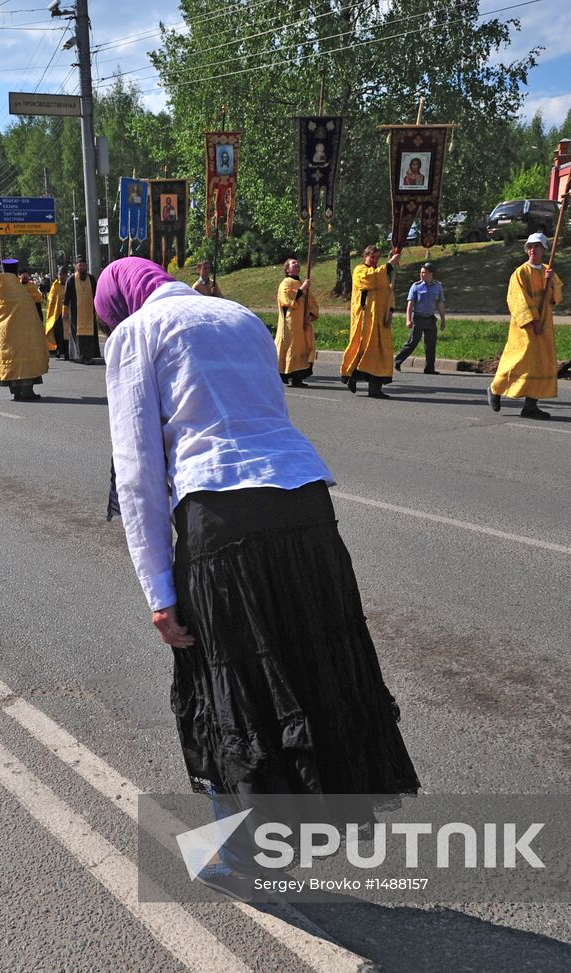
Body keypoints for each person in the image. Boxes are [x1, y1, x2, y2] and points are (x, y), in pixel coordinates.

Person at [98, 257, 419, 896]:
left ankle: (242, 855)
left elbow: (136, 473)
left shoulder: (137, 334)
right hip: (304, 503)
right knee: (308, 663)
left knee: (225, 676)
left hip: (223, 517)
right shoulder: (239, 315)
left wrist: (159, 593)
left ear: (121, 303)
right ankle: (292, 830)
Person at [488, 232, 561, 419]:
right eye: (530, 246)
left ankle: (530, 405)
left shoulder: (548, 271)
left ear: (544, 249)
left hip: (544, 326)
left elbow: (556, 298)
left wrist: (551, 281)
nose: (533, 249)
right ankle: (495, 389)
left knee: (540, 363)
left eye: (537, 246)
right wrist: (533, 321)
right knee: (519, 360)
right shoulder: (520, 273)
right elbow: (517, 300)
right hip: (526, 328)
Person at [0, 259, 49, 401]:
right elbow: (31, 310)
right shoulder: (19, 288)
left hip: (4, 332)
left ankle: (15, 390)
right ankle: (27, 391)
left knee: (9, 359)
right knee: (25, 359)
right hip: (23, 332)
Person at [342, 244, 402, 398]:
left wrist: (390, 312)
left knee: (382, 353)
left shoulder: (381, 273)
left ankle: (375, 388)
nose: (375, 260)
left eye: (377, 257)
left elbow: (389, 292)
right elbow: (370, 279)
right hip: (366, 321)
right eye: (372, 257)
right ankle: (353, 377)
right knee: (366, 350)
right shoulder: (360, 270)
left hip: (381, 321)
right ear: (365, 256)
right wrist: (389, 265)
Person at [395, 263, 445, 374]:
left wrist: (443, 320)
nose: (421, 275)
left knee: (431, 344)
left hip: (430, 319)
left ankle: (429, 368)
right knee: (412, 342)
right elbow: (410, 304)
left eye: (424, 273)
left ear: (430, 274)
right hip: (418, 318)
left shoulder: (438, 286)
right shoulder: (416, 286)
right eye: (421, 272)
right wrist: (408, 319)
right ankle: (397, 361)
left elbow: (440, 303)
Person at [274, 257, 317, 387]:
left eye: (298, 263)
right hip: (291, 322)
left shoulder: (302, 283)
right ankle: (289, 374)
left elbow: (311, 302)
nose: (297, 264)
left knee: (303, 347)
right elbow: (287, 299)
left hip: (303, 323)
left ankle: (298, 378)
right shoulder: (285, 283)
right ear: (287, 269)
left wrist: (310, 315)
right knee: (292, 347)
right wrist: (302, 290)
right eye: (293, 263)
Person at [62, 255, 100, 362]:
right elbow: (66, 298)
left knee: (89, 334)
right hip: (76, 313)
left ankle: (88, 355)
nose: (82, 267)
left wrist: (98, 310)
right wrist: (64, 312)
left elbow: (97, 295)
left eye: (84, 265)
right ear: (76, 266)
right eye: (80, 265)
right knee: (78, 335)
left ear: (86, 266)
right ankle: (80, 355)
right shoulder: (71, 280)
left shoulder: (91, 279)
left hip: (90, 312)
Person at [44, 264, 69, 359]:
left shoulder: (69, 284)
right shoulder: (55, 286)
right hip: (57, 314)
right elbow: (51, 299)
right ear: (58, 275)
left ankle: (67, 351)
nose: (62, 276)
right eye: (60, 274)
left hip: (68, 313)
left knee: (67, 333)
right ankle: (59, 350)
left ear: (66, 275)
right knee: (58, 333)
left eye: (64, 274)